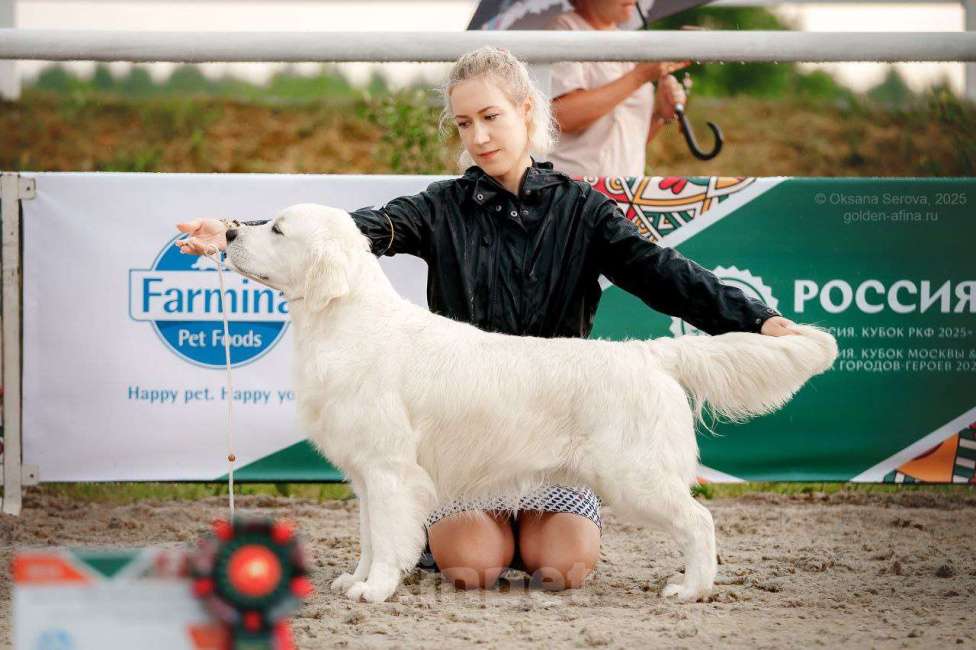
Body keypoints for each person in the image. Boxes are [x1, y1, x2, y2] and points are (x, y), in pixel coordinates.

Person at [176, 45, 795, 593]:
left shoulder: (584, 211)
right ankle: (443, 536)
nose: (479, 137)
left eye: (492, 117)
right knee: (472, 568)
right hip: (467, 442)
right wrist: (240, 234)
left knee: (564, 569)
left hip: (561, 411)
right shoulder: (438, 206)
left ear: (527, 111)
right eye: (465, 123)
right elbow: (343, 233)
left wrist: (759, 321)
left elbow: (665, 275)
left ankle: (661, 543)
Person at [546, 0, 689, 178]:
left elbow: (631, 141)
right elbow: (563, 117)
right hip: (575, 189)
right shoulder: (564, 29)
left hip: (626, 188)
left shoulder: (630, 42)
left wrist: (659, 114)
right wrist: (639, 77)